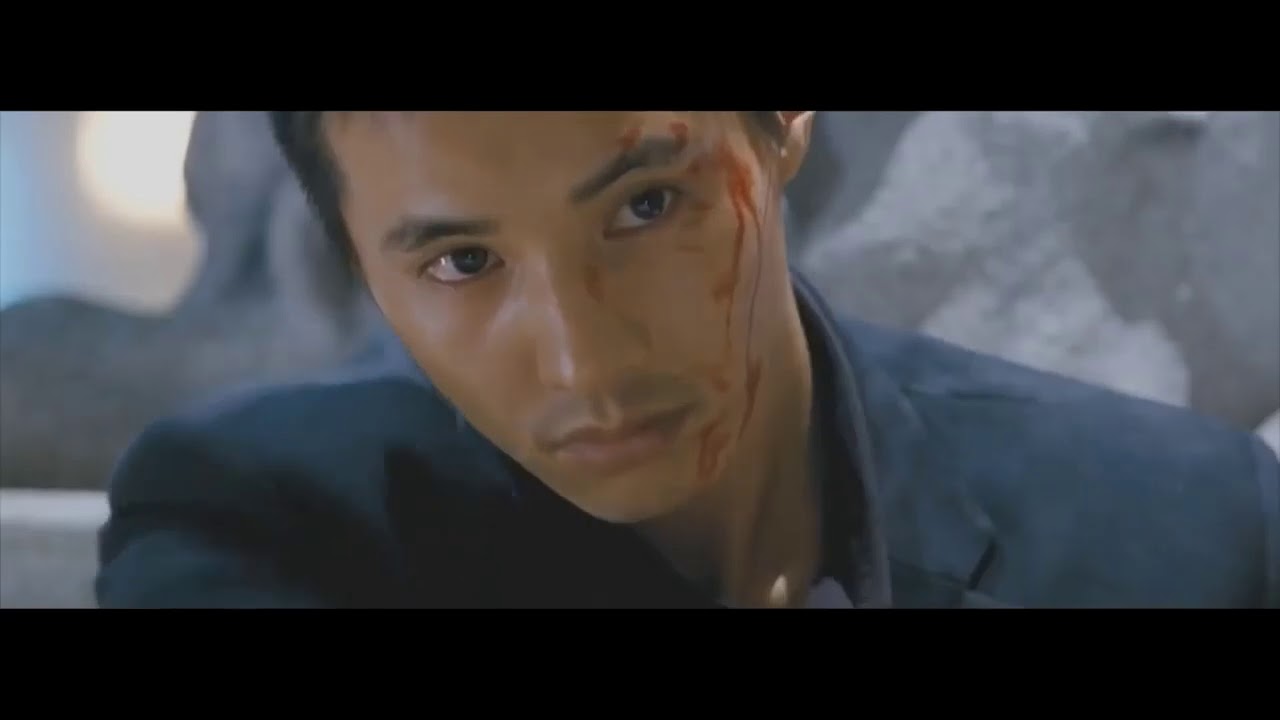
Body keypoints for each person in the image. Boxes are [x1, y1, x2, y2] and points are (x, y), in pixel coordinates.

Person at [95, 112, 1280, 608]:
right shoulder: (267, 524)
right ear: (352, 256)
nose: (583, 361)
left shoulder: (1186, 529)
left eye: (647, 205)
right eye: (462, 262)